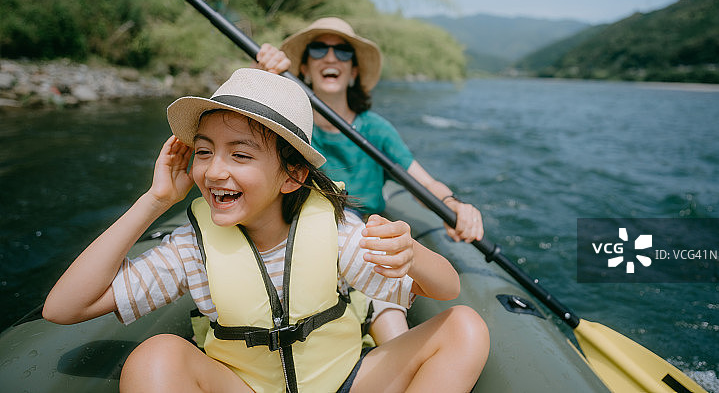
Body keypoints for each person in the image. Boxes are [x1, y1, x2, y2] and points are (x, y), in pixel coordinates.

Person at [42, 68, 490, 393]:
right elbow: (63, 308)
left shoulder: (334, 231)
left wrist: (413, 254)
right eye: (204, 151)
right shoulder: (190, 249)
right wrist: (155, 201)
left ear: (292, 176)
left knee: (465, 327)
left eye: (240, 155)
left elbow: (447, 289)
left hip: (345, 383)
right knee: (155, 356)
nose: (215, 171)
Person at [257, 17, 485, 343]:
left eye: (343, 52)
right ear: (304, 68)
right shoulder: (288, 125)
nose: (331, 57)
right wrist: (264, 79)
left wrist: (452, 205)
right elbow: (237, 137)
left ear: (354, 72)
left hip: (366, 246)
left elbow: (424, 184)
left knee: (389, 317)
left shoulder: (375, 129)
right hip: (300, 241)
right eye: (319, 49)